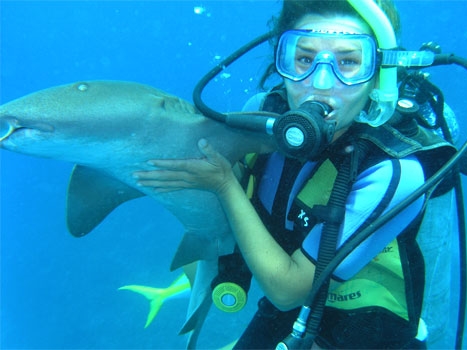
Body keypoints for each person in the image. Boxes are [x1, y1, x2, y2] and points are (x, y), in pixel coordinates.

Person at [133, 0, 456, 348]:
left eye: (348, 62)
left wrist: (225, 185)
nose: (320, 83)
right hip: (286, 305)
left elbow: (288, 290)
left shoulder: (396, 170)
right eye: (303, 59)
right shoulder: (258, 115)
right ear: (281, 61)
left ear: (380, 74)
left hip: (365, 326)